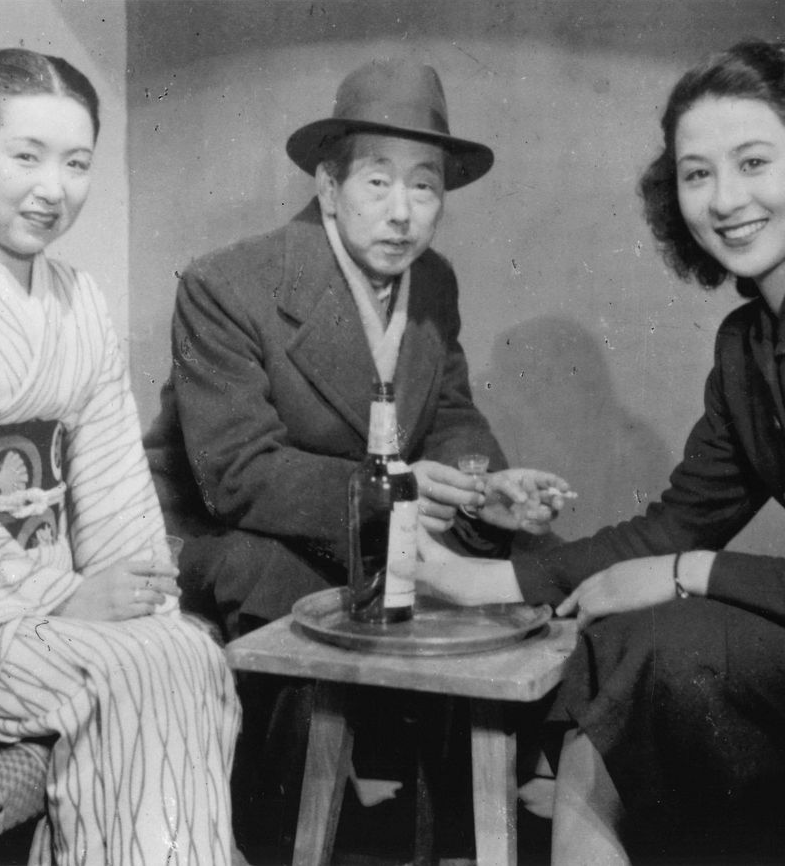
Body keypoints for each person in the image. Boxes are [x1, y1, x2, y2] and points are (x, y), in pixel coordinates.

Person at [417, 39, 785, 863]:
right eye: (696, 174)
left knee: (665, 648)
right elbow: (675, 524)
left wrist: (688, 572)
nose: (724, 199)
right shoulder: (749, 343)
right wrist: (478, 581)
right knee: (628, 642)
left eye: (752, 162)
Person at [142, 57, 570, 856]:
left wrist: (482, 488)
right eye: (378, 182)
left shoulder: (430, 281)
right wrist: (400, 492)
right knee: (300, 598)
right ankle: (284, 839)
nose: (402, 212)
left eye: (425, 186)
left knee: (531, 574)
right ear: (329, 187)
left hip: (372, 523)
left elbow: (448, 412)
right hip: (236, 531)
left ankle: (463, 826)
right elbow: (235, 473)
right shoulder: (226, 283)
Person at [0, 49, 244, 866]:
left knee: (186, 650)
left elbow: (115, 487)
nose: (52, 188)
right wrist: (65, 596)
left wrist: (135, 594)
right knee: (128, 673)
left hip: (36, 616)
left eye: (76, 163)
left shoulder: (77, 301)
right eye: (25, 156)